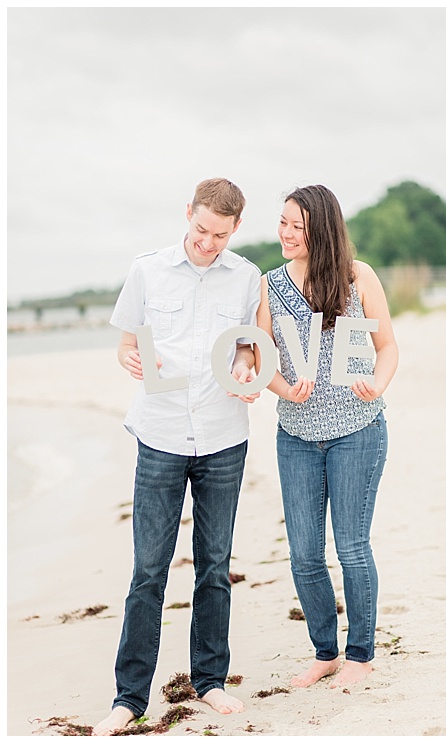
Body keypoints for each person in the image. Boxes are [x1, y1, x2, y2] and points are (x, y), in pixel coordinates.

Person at [97, 178, 261, 735]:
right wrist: (131, 360)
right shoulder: (147, 271)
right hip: (160, 434)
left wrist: (246, 370)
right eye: (200, 230)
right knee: (149, 570)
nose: (207, 243)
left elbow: (247, 348)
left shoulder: (246, 278)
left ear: (235, 228)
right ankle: (129, 695)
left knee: (214, 567)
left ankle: (210, 681)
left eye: (219, 235)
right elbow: (126, 342)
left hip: (222, 436)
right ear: (187, 214)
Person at [257, 184, 398, 689]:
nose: (287, 234)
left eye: (298, 226)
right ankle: (326, 652)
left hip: (357, 430)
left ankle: (361, 655)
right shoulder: (269, 286)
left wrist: (376, 386)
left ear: (321, 230)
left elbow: (387, 348)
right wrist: (281, 388)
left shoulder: (358, 278)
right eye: (283, 223)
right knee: (304, 553)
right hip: (295, 435)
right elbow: (259, 358)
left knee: (353, 547)